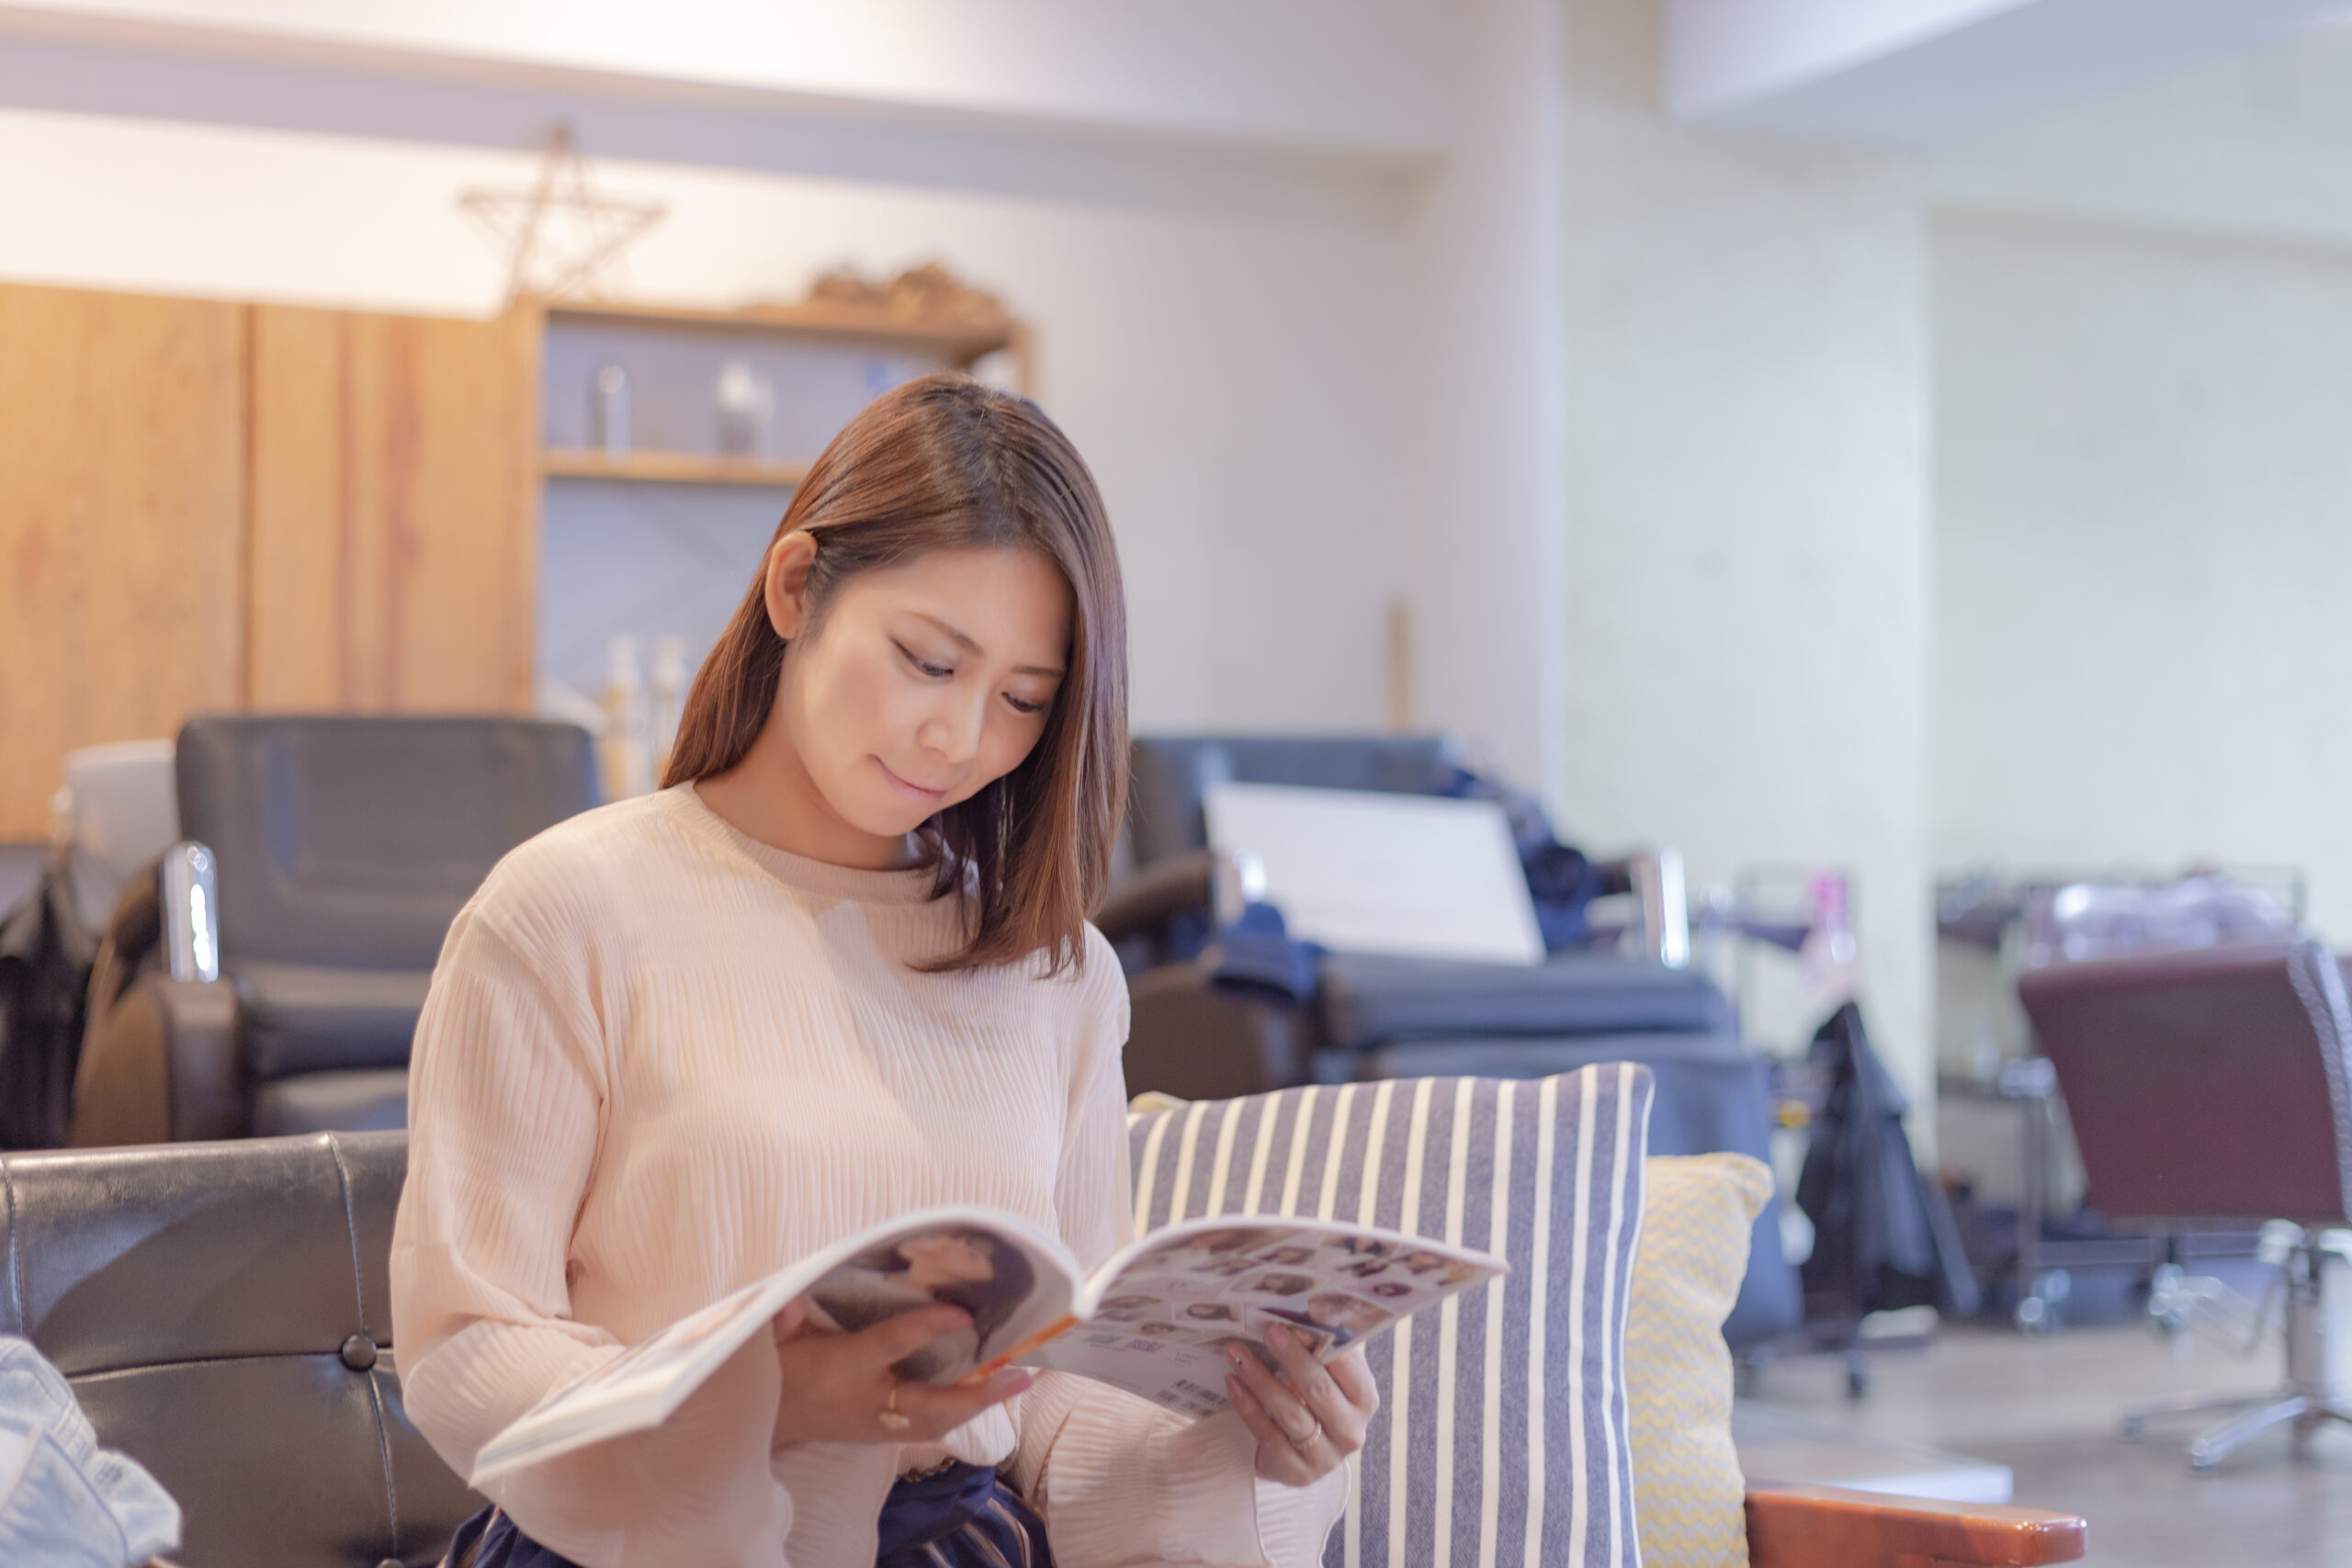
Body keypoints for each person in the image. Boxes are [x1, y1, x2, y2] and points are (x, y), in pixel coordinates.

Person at [390, 375, 1374, 1568]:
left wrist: (1240, 1431)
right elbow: (466, 1339)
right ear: (797, 585)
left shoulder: (1056, 972)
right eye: (925, 659)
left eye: (1022, 698)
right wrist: (762, 1406)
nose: (960, 738)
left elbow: (1049, 1400)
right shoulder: (566, 910)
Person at [803, 1227, 1036, 1382]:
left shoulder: (950, 1334)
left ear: (986, 1287)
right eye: (957, 1240)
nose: (946, 1244)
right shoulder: (856, 1270)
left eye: (971, 1255)